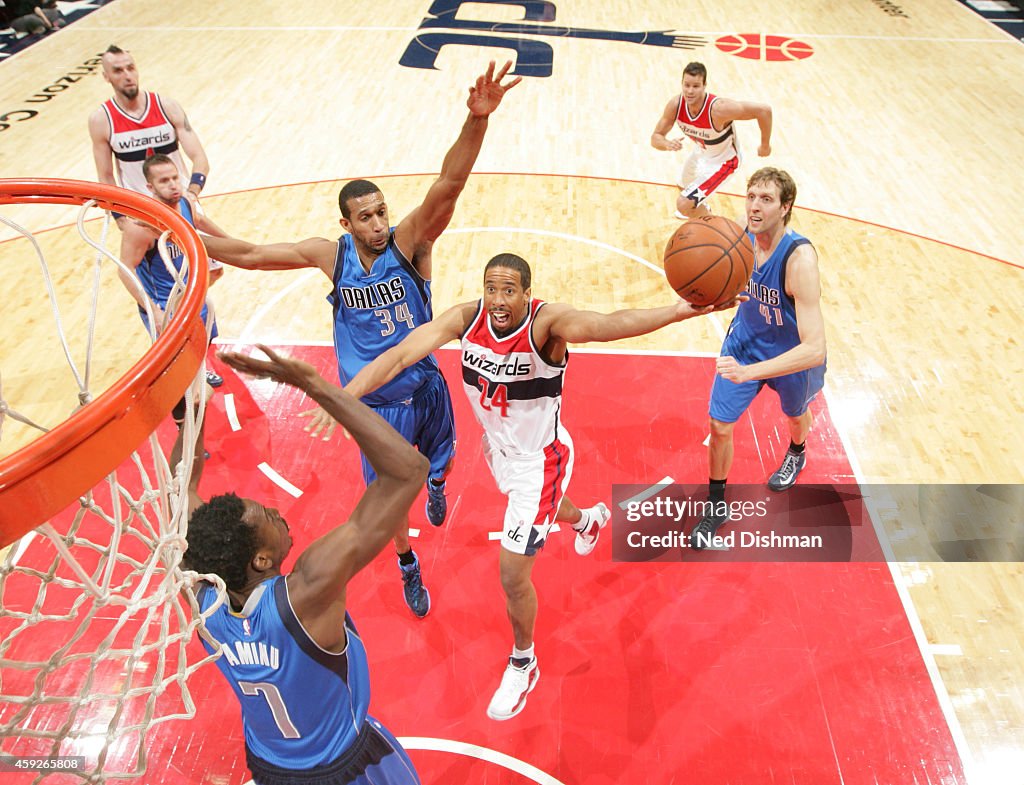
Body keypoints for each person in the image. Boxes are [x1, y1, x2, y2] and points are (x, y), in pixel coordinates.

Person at [343, 252, 738, 720]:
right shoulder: (466, 319)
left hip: (542, 462)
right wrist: (342, 398)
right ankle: (587, 520)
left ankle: (523, 660)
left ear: (526, 293)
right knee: (542, 513)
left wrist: (675, 312)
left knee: (512, 574)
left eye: (508, 290)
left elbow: (607, 323)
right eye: (491, 288)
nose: (497, 299)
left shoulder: (545, 324)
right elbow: (401, 353)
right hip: (501, 453)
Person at [199, 61, 521, 619]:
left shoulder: (410, 243)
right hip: (374, 406)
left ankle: (439, 479)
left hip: (425, 387)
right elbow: (249, 254)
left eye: (381, 213)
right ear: (346, 224)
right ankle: (407, 562)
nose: (377, 224)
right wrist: (184, 229)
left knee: (439, 463)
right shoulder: (331, 255)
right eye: (365, 217)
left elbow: (449, 185)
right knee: (390, 503)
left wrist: (477, 122)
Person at [184, 345, 428, 785]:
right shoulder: (307, 591)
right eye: (267, 517)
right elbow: (409, 471)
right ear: (261, 559)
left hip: (269, 769)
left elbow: (181, 496)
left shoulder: (202, 596)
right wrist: (313, 384)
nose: (275, 514)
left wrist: (192, 418)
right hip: (344, 770)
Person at [692, 167, 827, 550]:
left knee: (795, 416)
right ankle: (716, 505)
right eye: (750, 196)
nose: (754, 206)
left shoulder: (799, 260)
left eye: (765, 199)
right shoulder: (739, 235)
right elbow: (718, 270)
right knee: (719, 425)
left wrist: (750, 373)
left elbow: (814, 347)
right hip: (745, 344)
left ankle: (797, 452)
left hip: (793, 356)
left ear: (786, 208)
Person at [89, 44, 224, 386]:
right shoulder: (102, 120)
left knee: (208, 276)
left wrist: (191, 196)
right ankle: (175, 359)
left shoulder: (166, 107)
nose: (127, 75)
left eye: (130, 67)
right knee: (161, 293)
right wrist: (124, 223)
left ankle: (196, 354)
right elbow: (106, 179)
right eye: (118, 70)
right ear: (106, 77)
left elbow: (201, 160)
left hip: (181, 204)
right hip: (146, 219)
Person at [117, 154, 228, 466]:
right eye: (164, 181)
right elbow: (124, 270)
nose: (173, 184)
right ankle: (187, 439)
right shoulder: (142, 226)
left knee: (204, 346)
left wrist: (233, 248)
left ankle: (201, 368)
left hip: (194, 297)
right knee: (180, 382)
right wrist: (152, 311)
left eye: (175, 177)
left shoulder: (187, 204)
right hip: (168, 311)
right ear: (150, 187)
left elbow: (203, 225)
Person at [650, 61, 772, 221]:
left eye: (696, 86)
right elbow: (655, 138)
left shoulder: (719, 109)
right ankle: (703, 210)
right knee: (683, 187)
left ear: (704, 85)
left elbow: (764, 110)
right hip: (701, 153)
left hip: (724, 161)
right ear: (681, 83)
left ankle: (712, 226)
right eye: (686, 85)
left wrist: (765, 144)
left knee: (684, 204)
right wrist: (667, 144)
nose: (690, 91)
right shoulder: (676, 105)